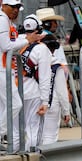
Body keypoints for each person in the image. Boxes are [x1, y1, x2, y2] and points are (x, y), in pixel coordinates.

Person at [0, 0, 44, 149]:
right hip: (2, 69)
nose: (16, 10)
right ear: (3, 5)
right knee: (15, 104)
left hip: (6, 69)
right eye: (12, 6)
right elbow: (6, 46)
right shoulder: (2, 19)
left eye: (18, 7)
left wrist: (28, 39)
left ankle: (1, 137)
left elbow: (10, 42)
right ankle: (1, 134)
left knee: (5, 106)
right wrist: (27, 40)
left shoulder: (7, 21)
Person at [14, 14, 52, 152]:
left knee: (15, 133)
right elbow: (44, 78)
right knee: (33, 130)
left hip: (13, 92)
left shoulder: (14, 44)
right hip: (33, 94)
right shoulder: (42, 49)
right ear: (40, 30)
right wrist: (45, 101)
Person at [40, 33, 70, 145]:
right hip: (53, 103)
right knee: (50, 136)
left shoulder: (35, 62)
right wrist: (66, 111)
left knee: (36, 134)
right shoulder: (57, 65)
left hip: (37, 103)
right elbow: (62, 91)